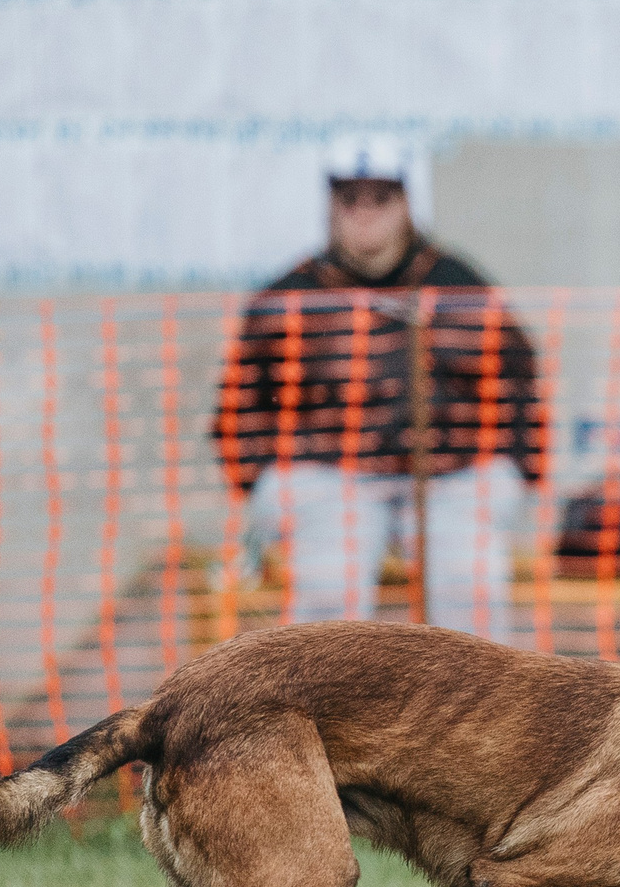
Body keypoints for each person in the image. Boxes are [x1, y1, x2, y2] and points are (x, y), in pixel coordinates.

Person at [214, 136, 542, 636]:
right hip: (328, 477)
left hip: (448, 477)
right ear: (331, 206)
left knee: (467, 582)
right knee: (328, 588)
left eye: (380, 198)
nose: (364, 213)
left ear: (406, 204)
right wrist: (259, 478)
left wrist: (519, 466)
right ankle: (323, 714)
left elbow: (519, 377)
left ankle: (477, 716)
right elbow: (239, 402)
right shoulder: (290, 294)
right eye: (350, 199)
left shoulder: (456, 281)